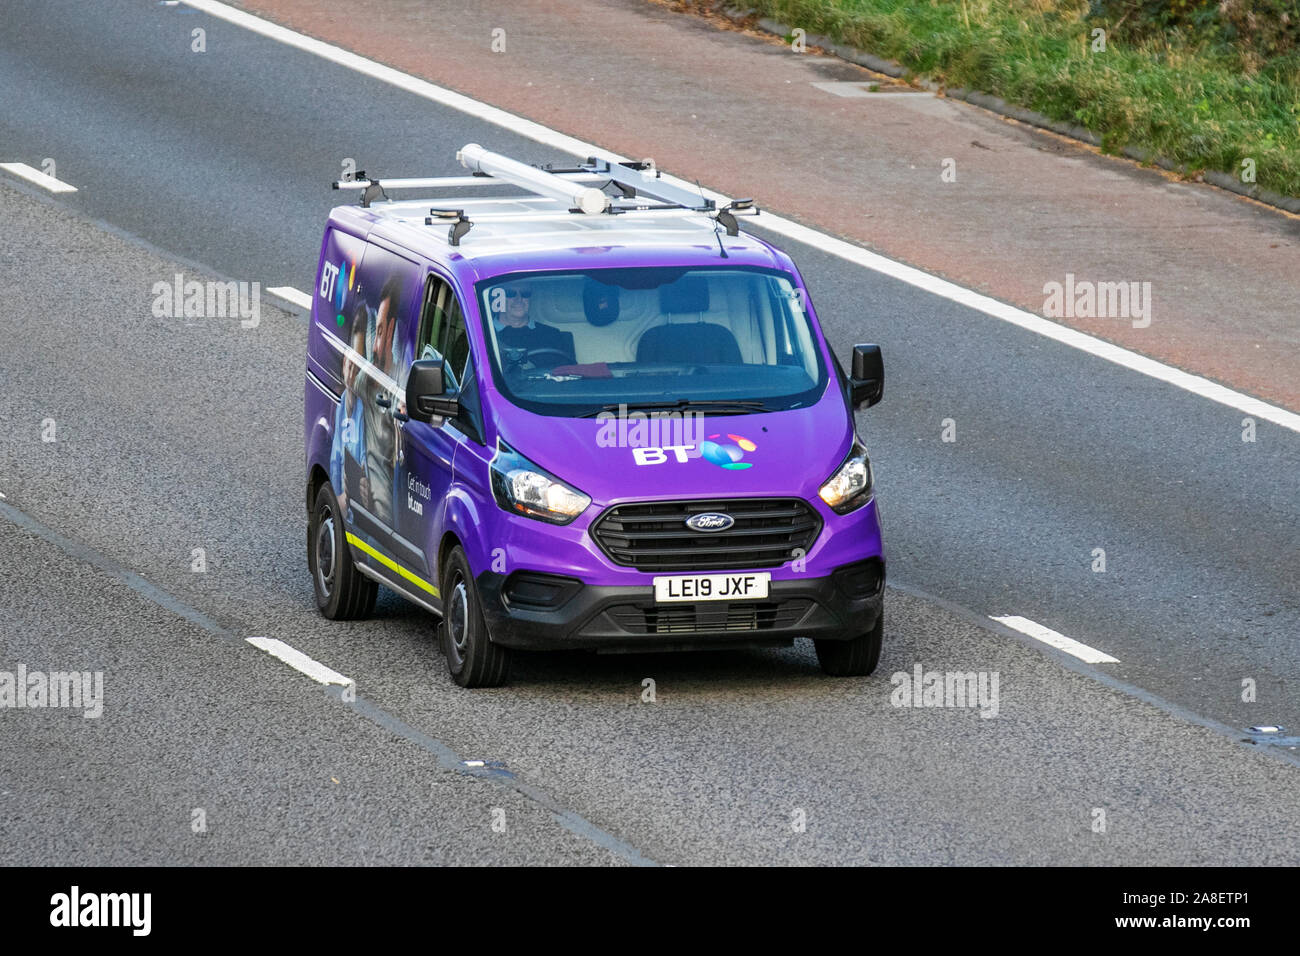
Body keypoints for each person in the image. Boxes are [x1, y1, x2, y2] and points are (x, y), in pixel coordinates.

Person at [492, 282, 575, 366]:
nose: (519, 299)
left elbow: (570, 373)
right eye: (510, 293)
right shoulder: (483, 334)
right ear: (498, 298)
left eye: (525, 294)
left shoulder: (552, 334)